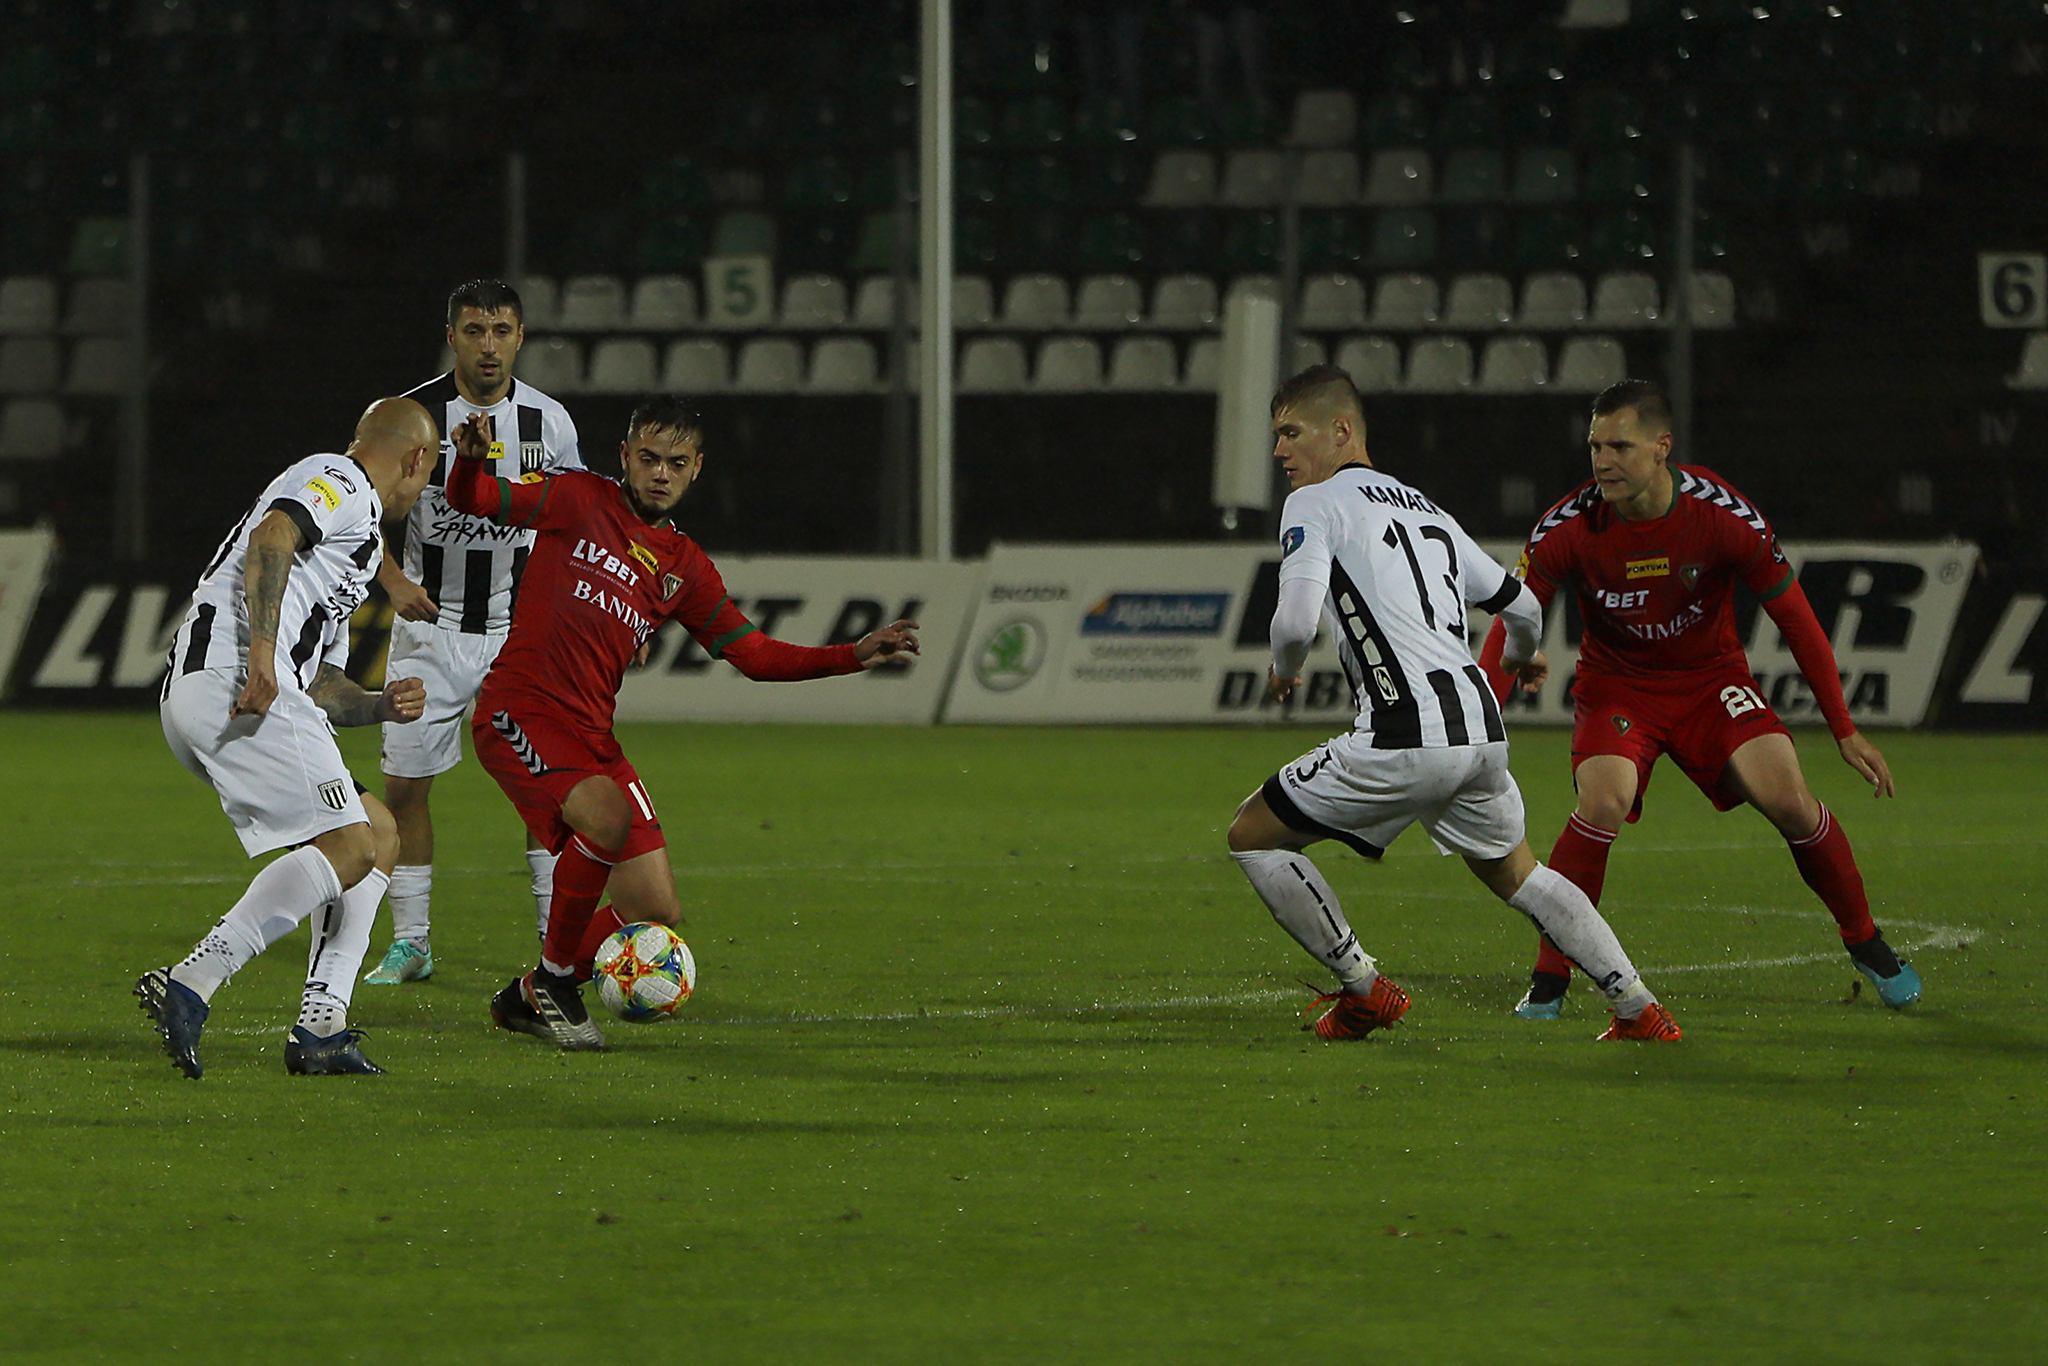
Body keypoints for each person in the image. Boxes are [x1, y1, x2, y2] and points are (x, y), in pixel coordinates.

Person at [442, 397, 920, 1050]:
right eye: (648, 459)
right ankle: (556, 983)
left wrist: (851, 655)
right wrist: (469, 464)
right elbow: (475, 499)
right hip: (518, 712)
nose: (660, 473)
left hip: (593, 737)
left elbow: (754, 655)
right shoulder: (577, 498)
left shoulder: (684, 568)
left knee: (654, 909)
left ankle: (528, 996)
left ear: (696, 469)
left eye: (675, 462)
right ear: (624, 458)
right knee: (605, 817)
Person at [1227, 366, 1680, 1042]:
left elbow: (1293, 623)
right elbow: (1520, 605)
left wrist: (1283, 671)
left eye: (1291, 433)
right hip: (1479, 734)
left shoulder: (1314, 503)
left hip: (1403, 735)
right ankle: (1637, 1004)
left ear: (1341, 430)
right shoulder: (1426, 509)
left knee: (1252, 835)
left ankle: (1362, 989)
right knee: (1520, 874)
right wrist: (1523, 653)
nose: (1279, 451)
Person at [1477, 379, 1918, 1019]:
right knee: (1601, 803)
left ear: (1662, 447)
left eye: (1621, 447)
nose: (1603, 462)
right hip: (1618, 687)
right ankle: (1550, 978)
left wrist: (1844, 729)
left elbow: (1797, 620)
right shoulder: (1569, 526)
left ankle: (1865, 941)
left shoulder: (1723, 515)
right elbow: (1510, 623)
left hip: (1712, 682)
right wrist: (1480, 726)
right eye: (1596, 447)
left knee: (1790, 799)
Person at [137, 398, 437, 1078]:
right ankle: (191, 981)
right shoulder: (340, 478)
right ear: (416, 459)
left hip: (230, 688)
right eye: (427, 474)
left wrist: (378, 705)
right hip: (234, 679)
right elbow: (273, 535)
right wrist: (263, 657)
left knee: (379, 833)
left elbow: (322, 681)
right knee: (350, 844)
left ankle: (320, 1027)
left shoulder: (359, 545)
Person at [364, 279, 583, 986]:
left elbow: (576, 524)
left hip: (520, 635)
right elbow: (355, 511)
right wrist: (393, 581)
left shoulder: (549, 423)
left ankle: (555, 946)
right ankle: (412, 943)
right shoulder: (412, 418)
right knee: (404, 790)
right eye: (474, 331)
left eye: (501, 331)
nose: (488, 345)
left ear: (520, 338)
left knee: (545, 791)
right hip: (430, 634)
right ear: (451, 337)